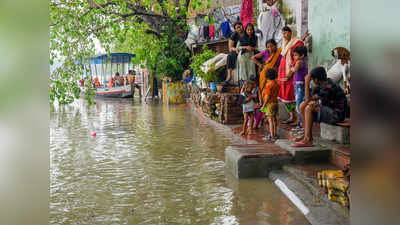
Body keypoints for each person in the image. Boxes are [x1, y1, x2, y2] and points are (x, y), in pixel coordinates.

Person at [291, 67, 347, 147]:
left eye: (312, 79)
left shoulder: (329, 87)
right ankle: (305, 135)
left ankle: (308, 139)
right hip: (329, 111)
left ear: (316, 80)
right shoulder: (321, 85)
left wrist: (306, 83)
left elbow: (308, 99)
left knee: (309, 108)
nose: (312, 81)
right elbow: (306, 100)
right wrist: (311, 102)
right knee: (303, 105)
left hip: (337, 115)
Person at [278, 25, 304, 124]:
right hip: (283, 71)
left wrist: (290, 72)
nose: (284, 35)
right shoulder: (285, 43)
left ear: (291, 32)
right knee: (285, 94)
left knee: (294, 95)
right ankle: (291, 116)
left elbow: (298, 58)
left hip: (292, 72)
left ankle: (298, 118)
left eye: (286, 32)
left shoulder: (298, 42)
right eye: (283, 33)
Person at [252, 39, 282, 103]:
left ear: (275, 45)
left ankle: (271, 105)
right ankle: (263, 105)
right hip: (265, 74)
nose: (270, 48)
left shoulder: (279, 55)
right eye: (268, 47)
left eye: (272, 46)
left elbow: (281, 66)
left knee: (273, 90)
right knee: (263, 89)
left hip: (274, 76)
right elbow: (253, 57)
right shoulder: (265, 52)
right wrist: (260, 65)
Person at [288, 45, 308, 127]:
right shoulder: (301, 61)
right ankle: (301, 123)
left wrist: (291, 67)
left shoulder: (299, 62)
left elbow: (294, 70)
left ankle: (302, 124)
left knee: (299, 105)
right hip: (298, 85)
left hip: (300, 85)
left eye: (295, 55)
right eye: (294, 55)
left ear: (302, 55)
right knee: (299, 105)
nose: (294, 56)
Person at [261, 68, 280, 140]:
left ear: (267, 76)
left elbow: (267, 97)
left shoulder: (268, 85)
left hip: (270, 104)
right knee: (274, 119)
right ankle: (275, 134)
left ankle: (272, 136)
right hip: (276, 103)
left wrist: (263, 106)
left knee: (270, 120)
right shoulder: (277, 84)